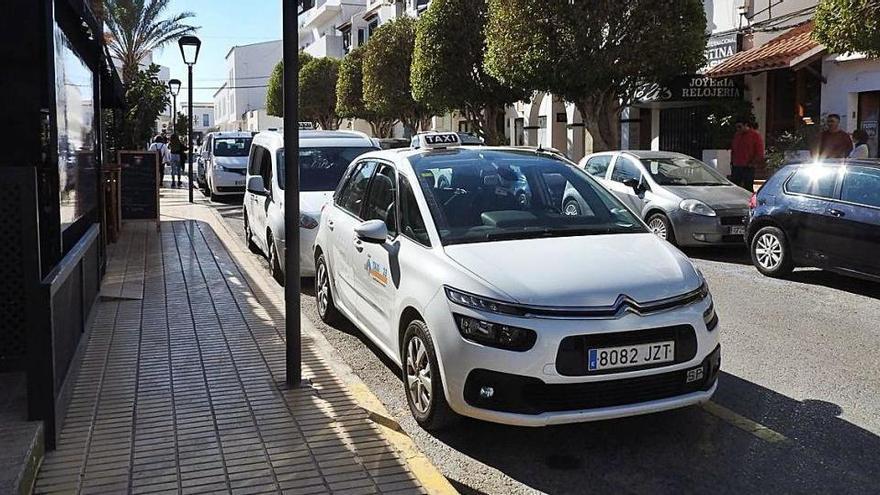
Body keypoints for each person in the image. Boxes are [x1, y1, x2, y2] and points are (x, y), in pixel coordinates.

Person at [730, 119, 764, 192]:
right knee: (735, 187)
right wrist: (732, 161)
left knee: (748, 187)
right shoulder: (737, 135)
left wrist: (753, 163)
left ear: (746, 125)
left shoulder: (755, 135)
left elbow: (759, 151)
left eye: (740, 127)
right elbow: (734, 149)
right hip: (737, 165)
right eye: (737, 127)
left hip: (748, 166)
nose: (738, 129)